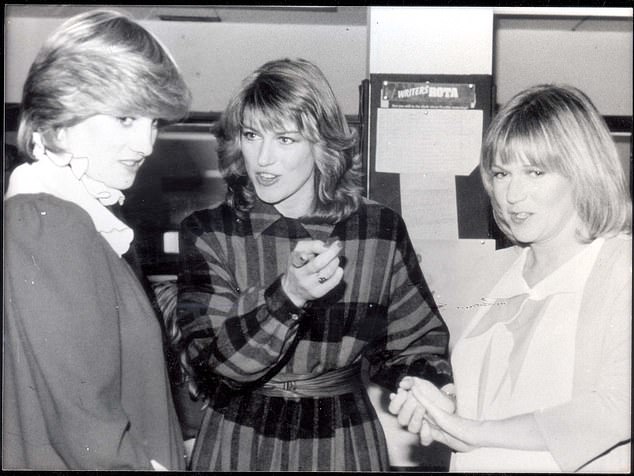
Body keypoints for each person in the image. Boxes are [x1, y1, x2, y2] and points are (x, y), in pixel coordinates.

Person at [173, 57, 453, 471]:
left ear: (322, 145)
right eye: (252, 136)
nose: (263, 159)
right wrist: (288, 297)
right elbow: (215, 364)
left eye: (285, 139)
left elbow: (414, 340)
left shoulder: (376, 229)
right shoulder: (210, 231)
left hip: (343, 439)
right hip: (238, 438)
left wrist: (422, 385)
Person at [388, 84, 632, 472]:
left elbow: (618, 408)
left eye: (535, 172)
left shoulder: (621, 267)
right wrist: (437, 402)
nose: (512, 194)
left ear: (583, 172)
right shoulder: (493, 271)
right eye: (501, 173)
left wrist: (477, 431)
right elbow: (478, 406)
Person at [3, 9, 192, 470]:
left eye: (154, 123)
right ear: (62, 116)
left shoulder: (74, 218)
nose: (147, 145)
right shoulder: (48, 222)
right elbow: (88, 429)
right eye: (126, 118)